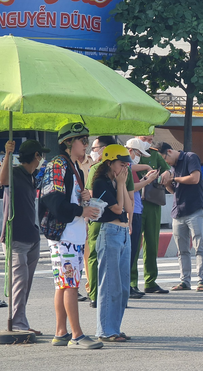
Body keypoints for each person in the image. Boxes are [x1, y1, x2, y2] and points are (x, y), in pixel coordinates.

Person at [39, 122, 103, 349]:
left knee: (63, 285)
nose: (85, 144)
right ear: (68, 142)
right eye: (81, 140)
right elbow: (53, 200)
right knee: (71, 285)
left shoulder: (71, 165)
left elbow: (67, 198)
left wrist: (84, 197)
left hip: (70, 234)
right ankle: (76, 335)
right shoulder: (58, 164)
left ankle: (61, 333)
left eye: (86, 140)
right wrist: (81, 210)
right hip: (63, 233)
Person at [0, 139, 50, 335]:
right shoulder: (16, 172)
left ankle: (21, 320)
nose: (42, 159)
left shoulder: (32, 176)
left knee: (25, 284)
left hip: (32, 235)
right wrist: (8, 155)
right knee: (19, 282)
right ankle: (18, 324)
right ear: (36, 156)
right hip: (15, 236)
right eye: (41, 155)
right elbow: (2, 181)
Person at [92, 144, 134, 342]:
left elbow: (129, 207)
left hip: (123, 233)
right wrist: (120, 184)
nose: (124, 167)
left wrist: (122, 184)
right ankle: (106, 330)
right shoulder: (100, 182)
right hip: (110, 232)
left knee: (124, 287)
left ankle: (114, 327)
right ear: (110, 162)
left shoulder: (117, 181)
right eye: (121, 163)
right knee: (110, 285)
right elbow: (117, 209)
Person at [158, 142, 203, 292]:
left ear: (169, 151)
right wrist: (167, 183)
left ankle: (202, 281)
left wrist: (174, 179)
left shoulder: (190, 157)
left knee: (199, 247)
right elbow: (174, 191)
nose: (165, 162)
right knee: (182, 250)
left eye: (165, 158)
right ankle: (185, 281)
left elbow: (195, 178)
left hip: (194, 209)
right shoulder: (172, 168)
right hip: (178, 211)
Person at [84, 136, 120, 308]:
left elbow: (90, 194)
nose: (93, 150)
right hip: (107, 218)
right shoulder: (115, 170)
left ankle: (95, 294)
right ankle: (100, 294)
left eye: (96, 147)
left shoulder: (99, 168)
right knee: (99, 257)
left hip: (99, 218)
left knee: (94, 256)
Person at [134, 135, 172, 294]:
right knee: (134, 244)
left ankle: (150, 281)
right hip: (135, 204)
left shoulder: (155, 155)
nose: (148, 142)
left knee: (152, 242)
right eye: (145, 138)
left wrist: (166, 174)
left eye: (150, 139)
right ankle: (131, 282)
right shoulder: (131, 154)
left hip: (152, 203)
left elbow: (168, 170)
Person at [125, 138, 159, 299]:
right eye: (138, 153)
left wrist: (146, 168)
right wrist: (148, 180)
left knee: (131, 252)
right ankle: (127, 287)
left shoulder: (128, 166)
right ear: (130, 150)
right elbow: (132, 188)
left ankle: (128, 287)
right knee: (130, 252)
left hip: (136, 210)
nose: (138, 157)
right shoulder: (124, 166)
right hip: (132, 212)